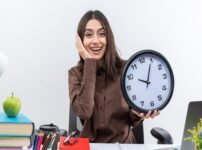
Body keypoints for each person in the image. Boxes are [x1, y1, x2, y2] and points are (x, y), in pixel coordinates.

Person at [68, 10, 160, 143]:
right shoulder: (75, 74)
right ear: (80, 41)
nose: (96, 41)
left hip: (123, 145)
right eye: (88, 35)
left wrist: (138, 113)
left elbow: (132, 121)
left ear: (109, 38)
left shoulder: (126, 69)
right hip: (91, 146)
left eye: (102, 34)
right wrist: (89, 62)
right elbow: (84, 111)